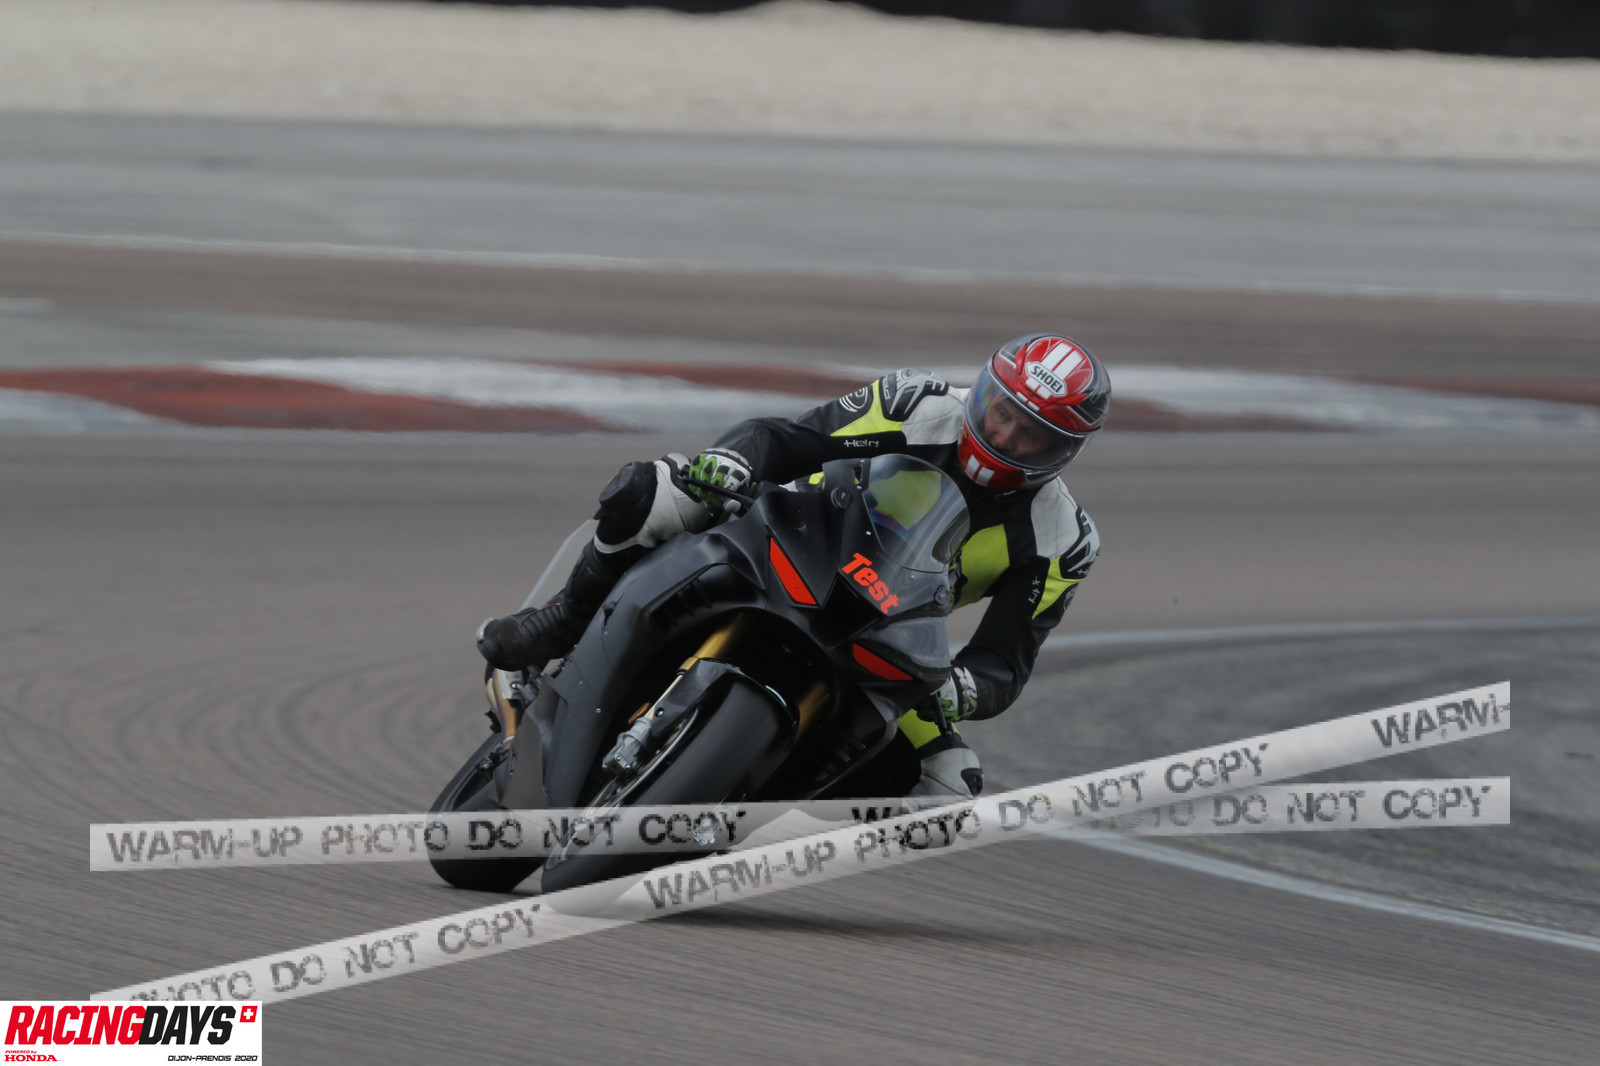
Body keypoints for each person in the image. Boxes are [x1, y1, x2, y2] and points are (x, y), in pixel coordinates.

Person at [477, 333, 1108, 801]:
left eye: (1031, 434)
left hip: (888, 629)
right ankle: (563, 620)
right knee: (661, 490)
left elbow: (1003, 662)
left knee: (950, 787)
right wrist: (734, 462)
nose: (1004, 437)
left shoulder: (1063, 541)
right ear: (985, 391)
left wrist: (964, 688)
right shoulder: (915, 402)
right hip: (792, 540)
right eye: (1001, 411)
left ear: (1064, 450)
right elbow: (786, 439)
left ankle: (754, 830)